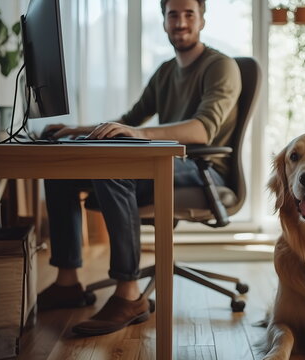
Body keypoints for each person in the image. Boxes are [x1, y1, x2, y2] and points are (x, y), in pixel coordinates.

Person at [37, 0, 241, 336]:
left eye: (189, 14)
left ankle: (130, 294)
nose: (181, 22)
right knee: (64, 167)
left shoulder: (221, 66)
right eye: (173, 14)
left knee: (116, 168)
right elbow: (128, 121)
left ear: (202, 20)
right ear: (164, 22)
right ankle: (68, 282)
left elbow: (203, 130)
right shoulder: (165, 72)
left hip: (203, 170)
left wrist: (139, 133)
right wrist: (76, 131)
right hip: (167, 163)